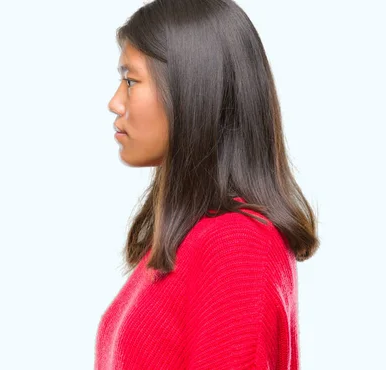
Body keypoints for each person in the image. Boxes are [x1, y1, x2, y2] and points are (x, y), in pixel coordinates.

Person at [95, 0, 320, 369]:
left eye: (131, 80)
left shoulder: (238, 245)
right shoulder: (194, 237)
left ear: (191, 89)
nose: (115, 102)